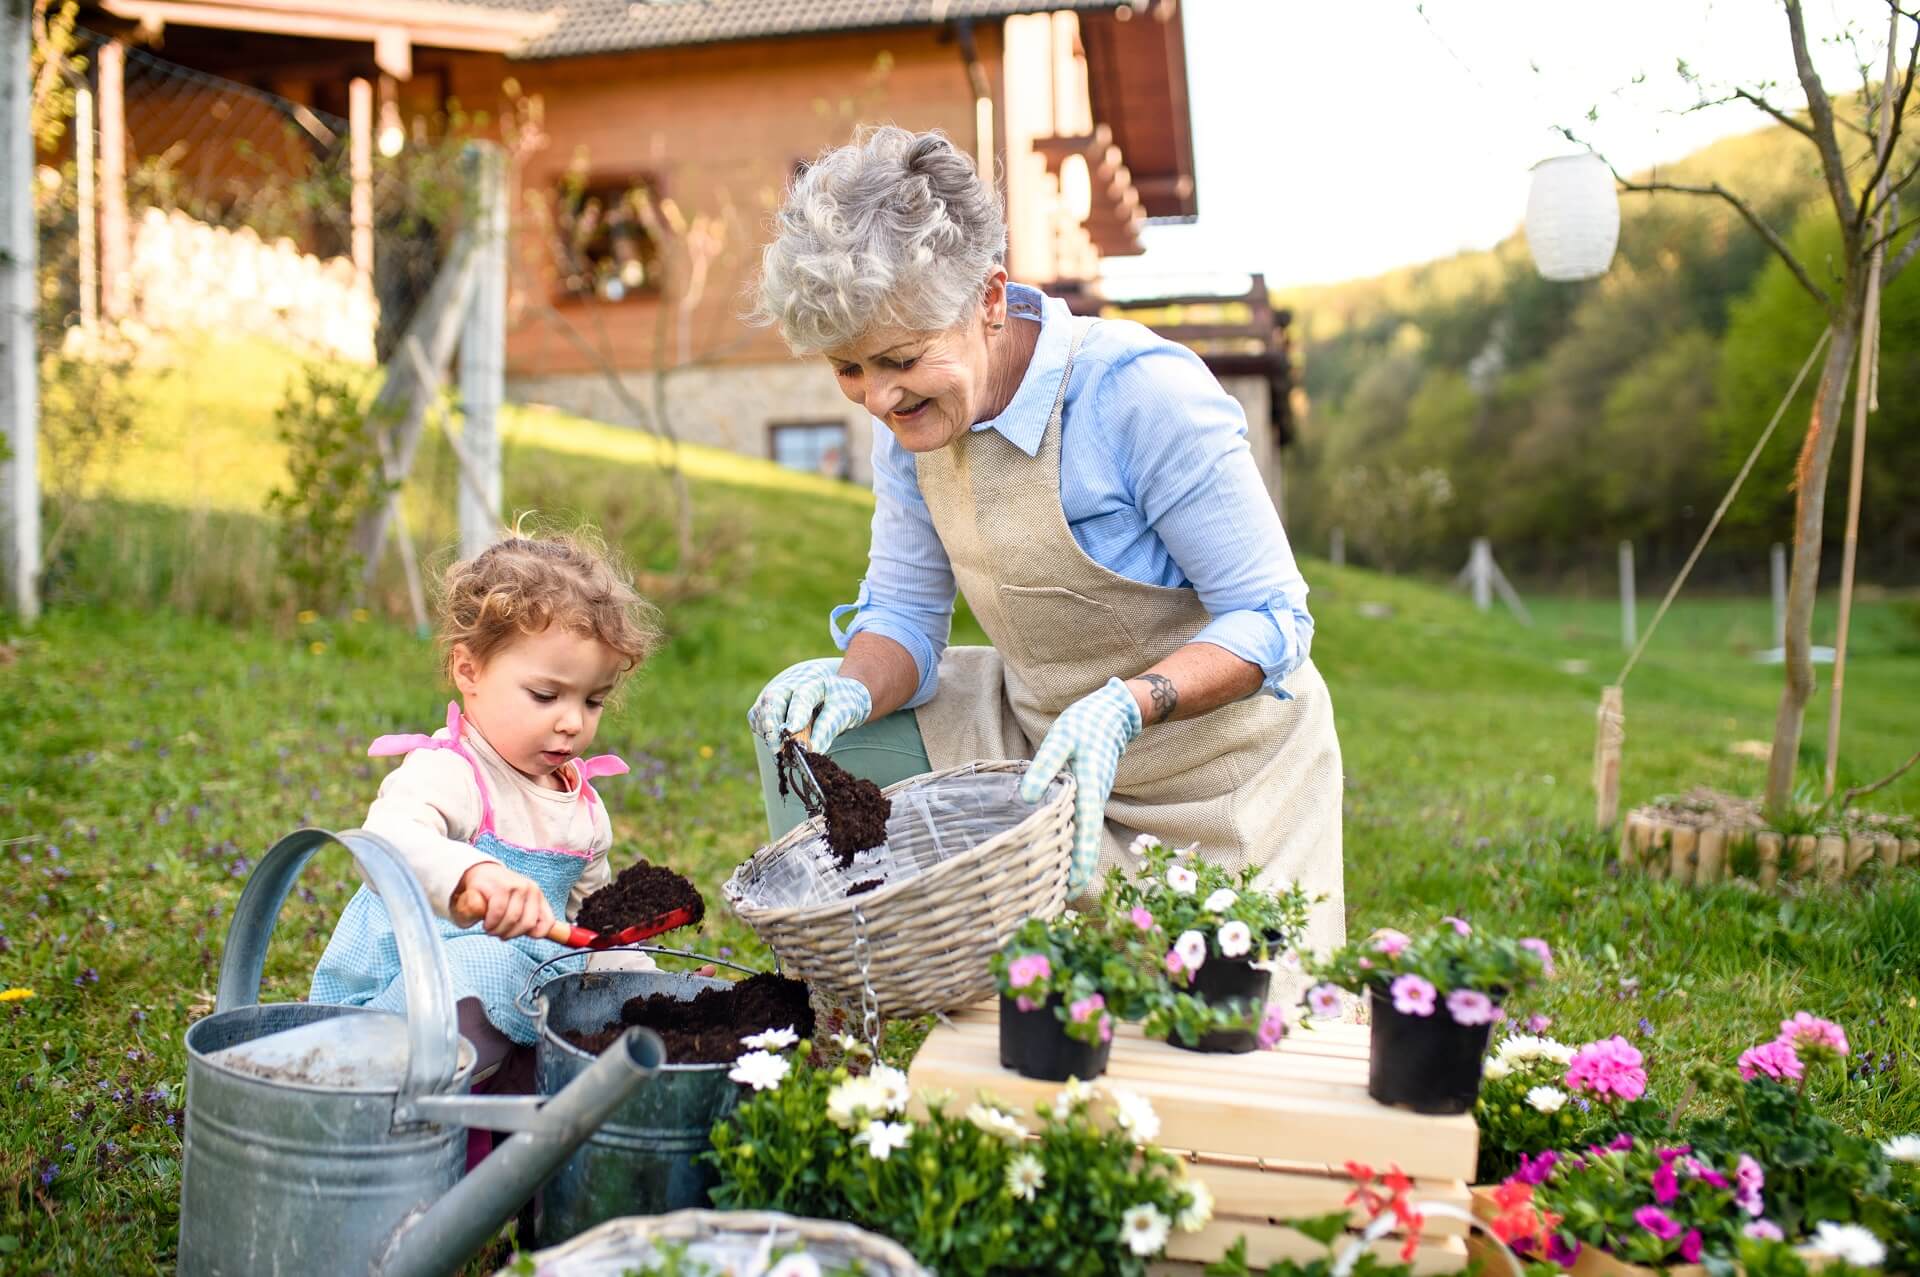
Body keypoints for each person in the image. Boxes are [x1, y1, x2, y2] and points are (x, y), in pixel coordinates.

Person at [744, 126, 1345, 957]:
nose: (877, 398)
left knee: (1199, 1038)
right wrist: (851, 689)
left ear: (989, 299)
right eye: (847, 369)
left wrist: (1128, 703)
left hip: (1214, 781)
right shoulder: (910, 422)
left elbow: (1275, 618)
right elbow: (909, 619)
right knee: (816, 726)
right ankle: (865, 978)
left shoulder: (1140, 394)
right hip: (1040, 747)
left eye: (899, 359)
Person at [310, 529, 662, 1088]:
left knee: (572, 1004)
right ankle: (402, 1117)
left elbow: (596, 932)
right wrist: (473, 873)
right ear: (468, 671)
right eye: (546, 696)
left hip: (514, 1008)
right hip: (402, 1004)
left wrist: (645, 992)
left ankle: (493, 1138)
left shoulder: (584, 814)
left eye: (592, 700)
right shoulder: (452, 773)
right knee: (493, 965)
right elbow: (385, 843)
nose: (572, 721)